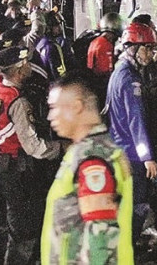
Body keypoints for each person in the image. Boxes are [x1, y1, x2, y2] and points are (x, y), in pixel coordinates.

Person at [42, 73, 135, 265]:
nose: (50, 116)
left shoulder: (93, 159)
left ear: (76, 106)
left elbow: (100, 239)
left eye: (54, 108)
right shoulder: (90, 150)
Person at [0, 46, 63, 263]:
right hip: (17, 170)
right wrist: (61, 148)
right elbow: (33, 146)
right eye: (25, 64)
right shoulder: (18, 102)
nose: (29, 67)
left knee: (3, 223)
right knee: (23, 230)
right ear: (18, 71)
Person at [104, 21, 157, 246]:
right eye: (147, 48)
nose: (150, 54)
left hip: (118, 148)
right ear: (133, 48)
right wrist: (147, 158)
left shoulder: (119, 71)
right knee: (136, 203)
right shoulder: (131, 80)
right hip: (131, 155)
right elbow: (136, 122)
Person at [35, 10, 73, 83]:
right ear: (49, 27)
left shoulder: (40, 43)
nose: (59, 28)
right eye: (57, 25)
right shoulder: (52, 47)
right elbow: (60, 74)